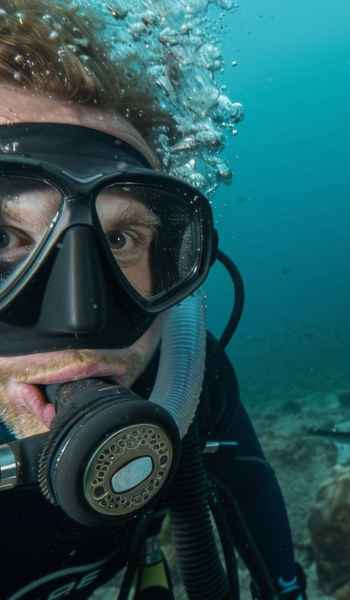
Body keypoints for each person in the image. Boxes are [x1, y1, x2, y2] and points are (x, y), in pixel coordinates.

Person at [0, 1, 307, 599]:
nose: (82, 319)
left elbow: (253, 501)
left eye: (120, 239)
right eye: (3, 237)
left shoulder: (186, 374)